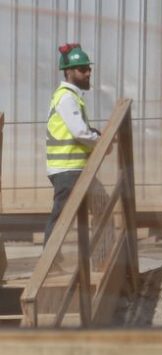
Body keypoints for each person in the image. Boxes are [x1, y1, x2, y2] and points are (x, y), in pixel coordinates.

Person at [44, 43, 99, 240]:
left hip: (73, 168)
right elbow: (80, 132)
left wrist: (95, 135)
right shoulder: (67, 98)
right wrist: (101, 142)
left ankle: (92, 254)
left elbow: (80, 130)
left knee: (98, 207)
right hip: (68, 169)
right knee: (61, 218)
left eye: (89, 69)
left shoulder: (71, 97)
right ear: (68, 72)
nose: (88, 73)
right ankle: (50, 256)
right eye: (82, 69)